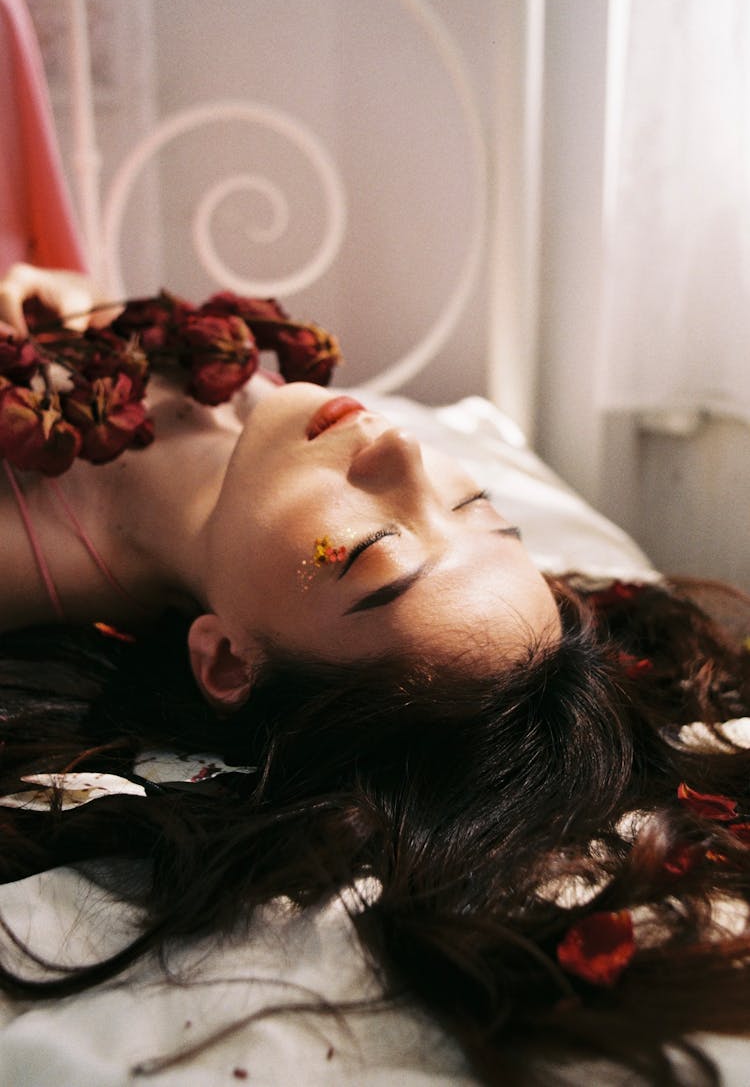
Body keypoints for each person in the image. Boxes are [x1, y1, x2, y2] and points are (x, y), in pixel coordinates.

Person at [0, 266, 749, 1086]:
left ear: (224, 658)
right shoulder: (250, 391)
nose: (401, 448)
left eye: (368, 552)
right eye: (474, 507)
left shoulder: (24, 542)